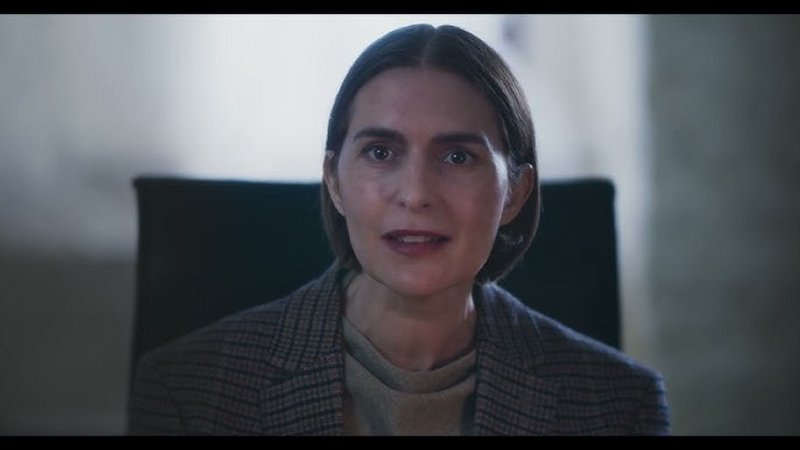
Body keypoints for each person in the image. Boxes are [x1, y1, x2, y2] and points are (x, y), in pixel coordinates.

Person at [128, 23, 670, 436]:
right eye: (381, 152)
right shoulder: (188, 390)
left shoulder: (620, 405)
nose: (415, 193)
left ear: (516, 193)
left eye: (457, 157)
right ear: (334, 182)